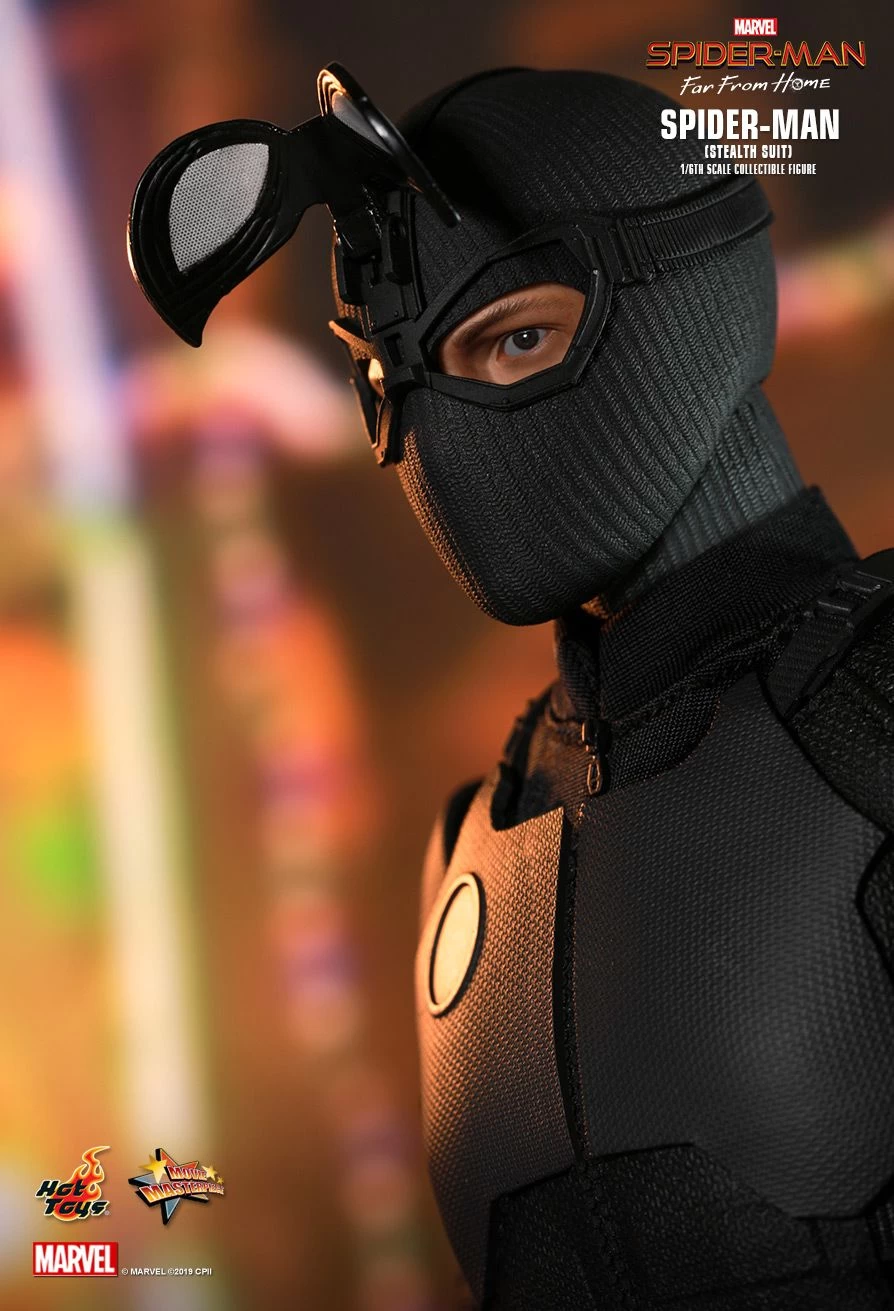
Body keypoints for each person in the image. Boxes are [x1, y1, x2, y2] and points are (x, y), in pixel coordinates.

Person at [129, 65, 894, 1310]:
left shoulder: (872, 715)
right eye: (390, 380)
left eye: (517, 337)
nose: (442, 434)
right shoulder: (473, 844)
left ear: (701, 295)